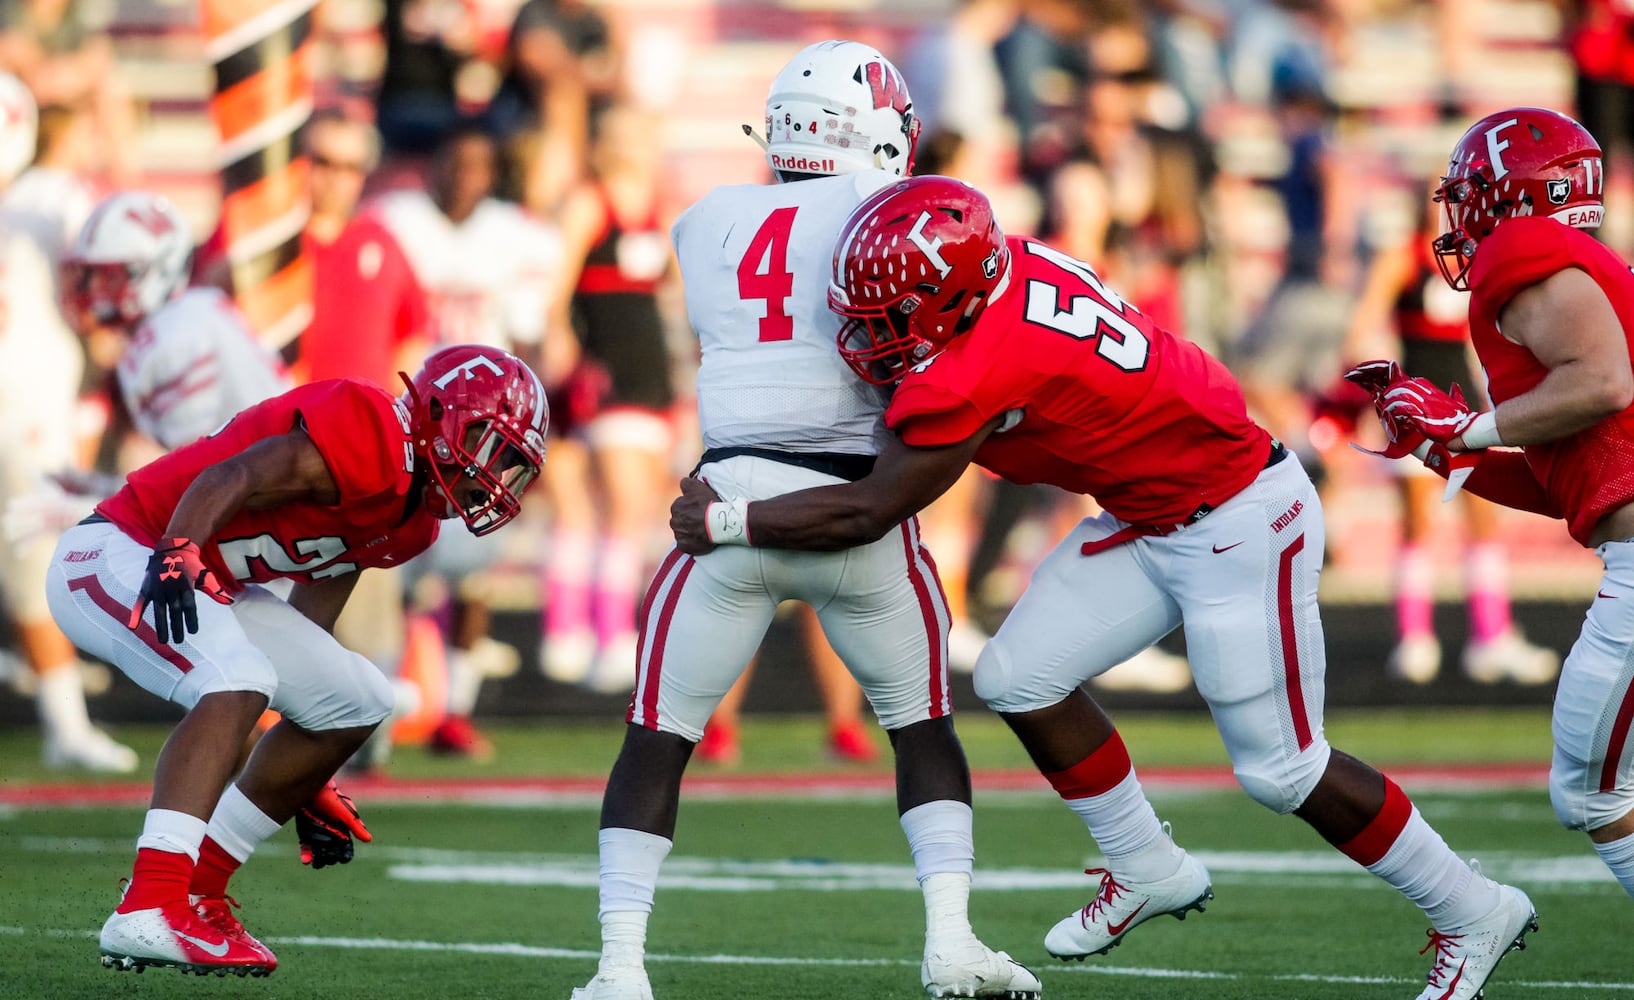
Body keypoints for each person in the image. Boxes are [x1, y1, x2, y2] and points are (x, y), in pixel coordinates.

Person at [671, 175, 1538, 1000]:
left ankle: (1472, 909)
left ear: (956, 300)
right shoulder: (1005, 263)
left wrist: (730, 523)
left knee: (1283, 770)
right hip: (1151, 513)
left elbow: (870, 508)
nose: (872, 336)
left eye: (893, 316)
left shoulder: (977, 361)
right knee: (1016, 678)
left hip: (1239, 518)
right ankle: (1146, 864)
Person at [572, 41, 1040, 1000]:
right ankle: (950, 939)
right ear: (876, 128)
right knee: (923, 730)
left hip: (722, 510)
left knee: (656, 739)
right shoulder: (889, 210)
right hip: (855, 510)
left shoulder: (704, 222)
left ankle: (620, 967)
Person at [46, 343, 548, 976]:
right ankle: (150, 902)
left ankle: (198, 890)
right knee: (236, 676)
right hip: (127, 546)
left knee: (357, 700)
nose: (493, 476)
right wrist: (177, 551)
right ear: (444, 416)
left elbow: (311, 626)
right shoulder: (370, 428)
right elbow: (233, 475)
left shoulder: (413, 521)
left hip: (203, 571)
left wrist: (304, 767)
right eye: (492, 449)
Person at [1350, 106, 1634, 901]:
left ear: (1512, 193)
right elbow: (1570, 484)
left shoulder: (1525, 250)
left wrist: (1474, 425)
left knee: (1592, 792)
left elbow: (1604, 383)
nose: (1460, 213)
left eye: (1472, 191)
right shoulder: (1569, 266)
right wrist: (1451, 453)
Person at [375, 123, 563, 756]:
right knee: (391, 568)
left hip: (484, 430)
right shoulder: (393, 224)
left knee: (473, 573)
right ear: (431, 166)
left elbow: (529, 339)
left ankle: (454, 709)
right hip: (409, 414)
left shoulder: (515, 236)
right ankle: (383, 705)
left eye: (479, 165)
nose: (465, 177)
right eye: (454, 161)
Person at [1342, 183, 1558, 684]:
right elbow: (1361, 328)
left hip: (1465, 409)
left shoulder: (1475, 260)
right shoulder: (1402, 259)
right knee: (1418, 523)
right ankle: (1415, 640)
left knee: (1482, 520)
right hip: (1419, 409)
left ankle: (1491, 637)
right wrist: (1388, 391)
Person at [0, 72, 132, 771]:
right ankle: (66, 726)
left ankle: (64, 718)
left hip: (28, 397)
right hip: (29, 401)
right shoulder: (59, 200)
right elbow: (104, 300)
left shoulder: (26, 201)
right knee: (41, 562)